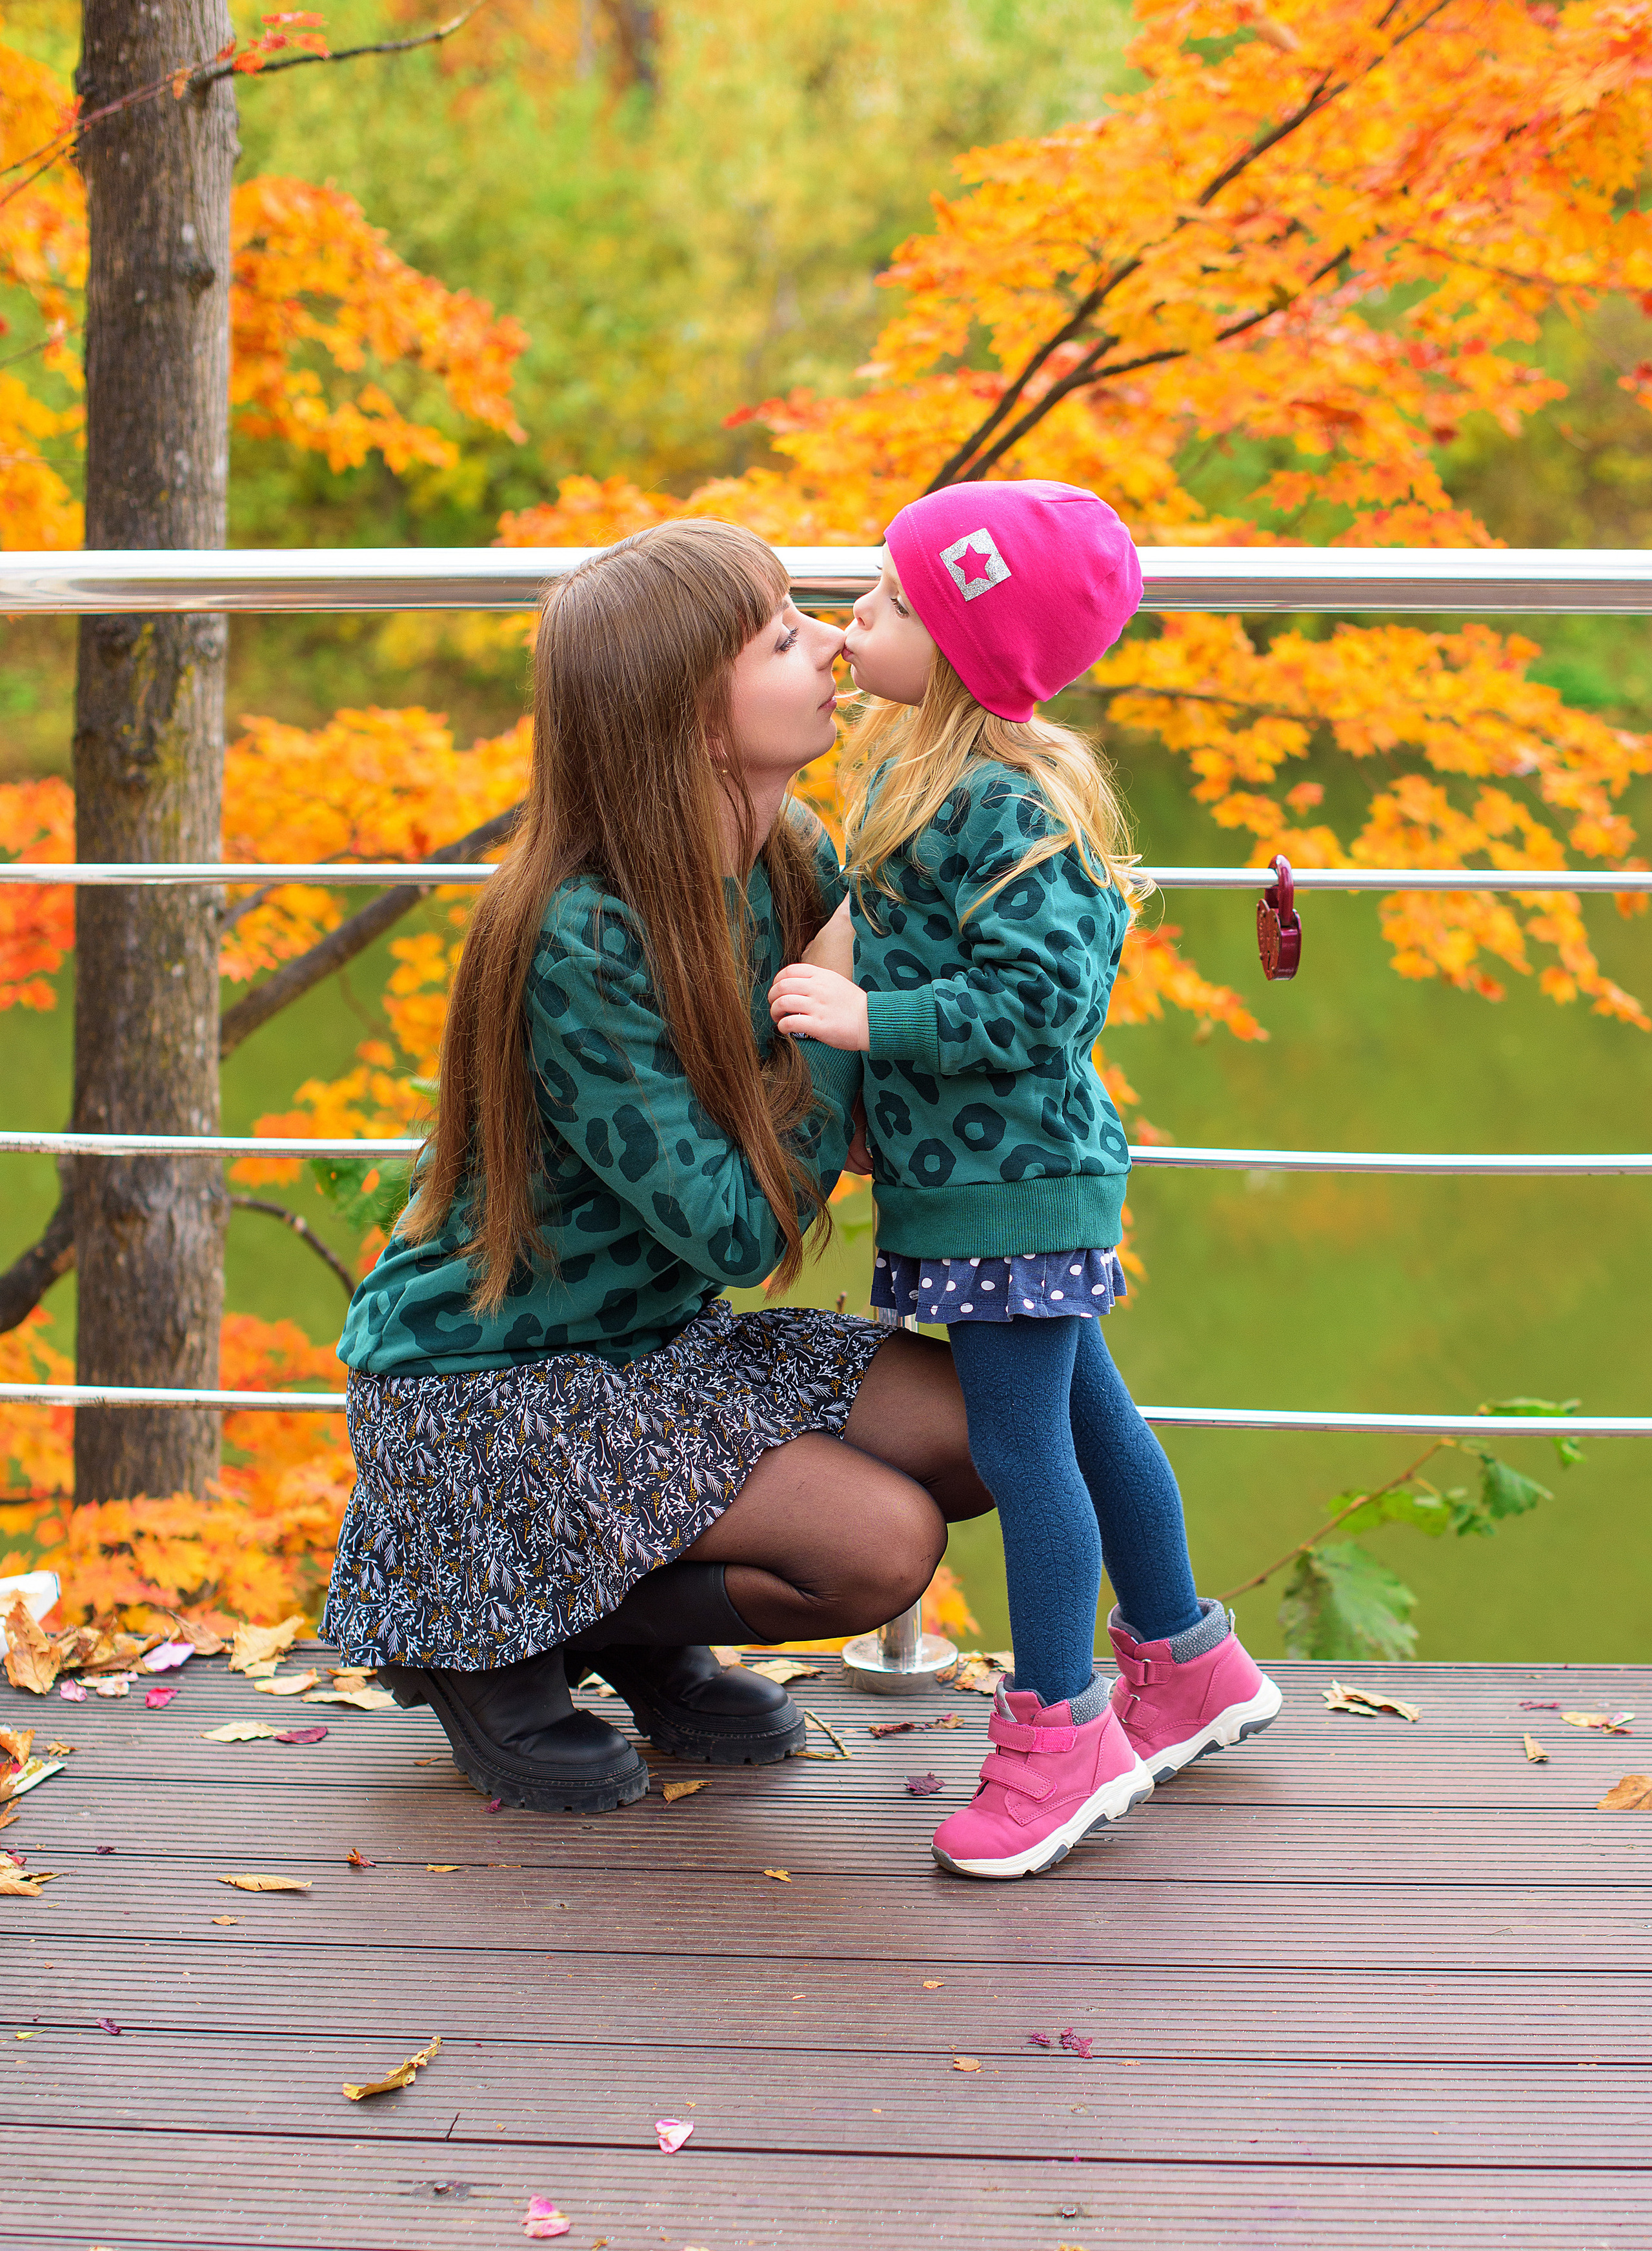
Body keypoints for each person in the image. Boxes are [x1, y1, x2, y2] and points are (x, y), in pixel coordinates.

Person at [323, 521, 993, 1813]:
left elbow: (878, 1058)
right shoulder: (576, 929)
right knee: (883, 1546)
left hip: (651, 1346)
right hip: (483, 1390)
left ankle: (605, 1624)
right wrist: (839, 1002)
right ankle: (488, 1636)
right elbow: (741, 1232)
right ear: (692, 718)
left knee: (986, 1430)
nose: (834, 644)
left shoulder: (788, 853)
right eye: (784, 635)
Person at [769, 479, 1282, 1881]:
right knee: (1088, 1415)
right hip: (972, 1187)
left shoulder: (1008, 802)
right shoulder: (914, 775)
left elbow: (1039, 1006)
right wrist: (870, 1099)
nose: (843, 621)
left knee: (1021, 1445)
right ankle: (1186, 1660)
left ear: (955, 646)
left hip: (1018, 1187)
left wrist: (873, 1027)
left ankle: (1059, 1737)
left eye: (877, 604)